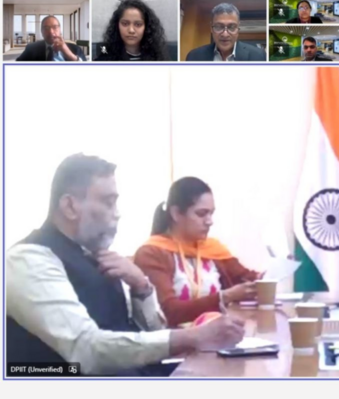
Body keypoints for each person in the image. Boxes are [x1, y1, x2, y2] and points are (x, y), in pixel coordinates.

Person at [6, 154, 245, 376]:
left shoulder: (96, 256)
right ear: (70, 206)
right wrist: (192, 336)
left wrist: (141, 288)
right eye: (108, 202)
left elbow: (148, 336)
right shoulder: (28, 260)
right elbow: (86, 349)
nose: (117, 214)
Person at [134, 177, 265, 327]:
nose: (209, 221)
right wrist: (224, 297)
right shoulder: (152, 253)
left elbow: (246, 279)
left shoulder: (212, 250)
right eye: (201, 214)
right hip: (179, 338)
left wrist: (266, 277)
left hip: (218, 333)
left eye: (211, 214)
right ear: (176, 213)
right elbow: (168, 312)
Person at [186, 3, 266, 61]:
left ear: (238, 29)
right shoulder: (194, 57)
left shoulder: (258, 56)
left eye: (231, 27)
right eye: (218, 27)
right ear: (211, 29)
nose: (225, 34)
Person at [95, 0, 168, 61]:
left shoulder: (158, 57)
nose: (131, 30)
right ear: (117, 25)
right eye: (125, 24)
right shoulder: (105, 56)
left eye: (138, 24)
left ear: (146, 27)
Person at [15, 15, 87, 61]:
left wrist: (69, 54)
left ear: (60, 30)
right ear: (41, 31)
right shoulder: (31, 48)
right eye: (46, 28)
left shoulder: (75, 49)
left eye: (55, 27)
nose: (51, 32)